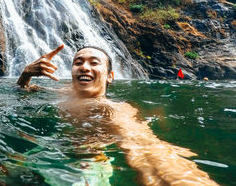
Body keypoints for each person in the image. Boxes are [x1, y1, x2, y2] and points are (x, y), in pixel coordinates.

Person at [17, 44, 219, 186]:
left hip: (88, 161)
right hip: (51, 150)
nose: (84, 67)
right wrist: (25, 74)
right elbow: (24, 91)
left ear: (110, 77)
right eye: (78, 62)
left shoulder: (112, 109)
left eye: (94, 63)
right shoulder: (63, 92)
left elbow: (146, 149)